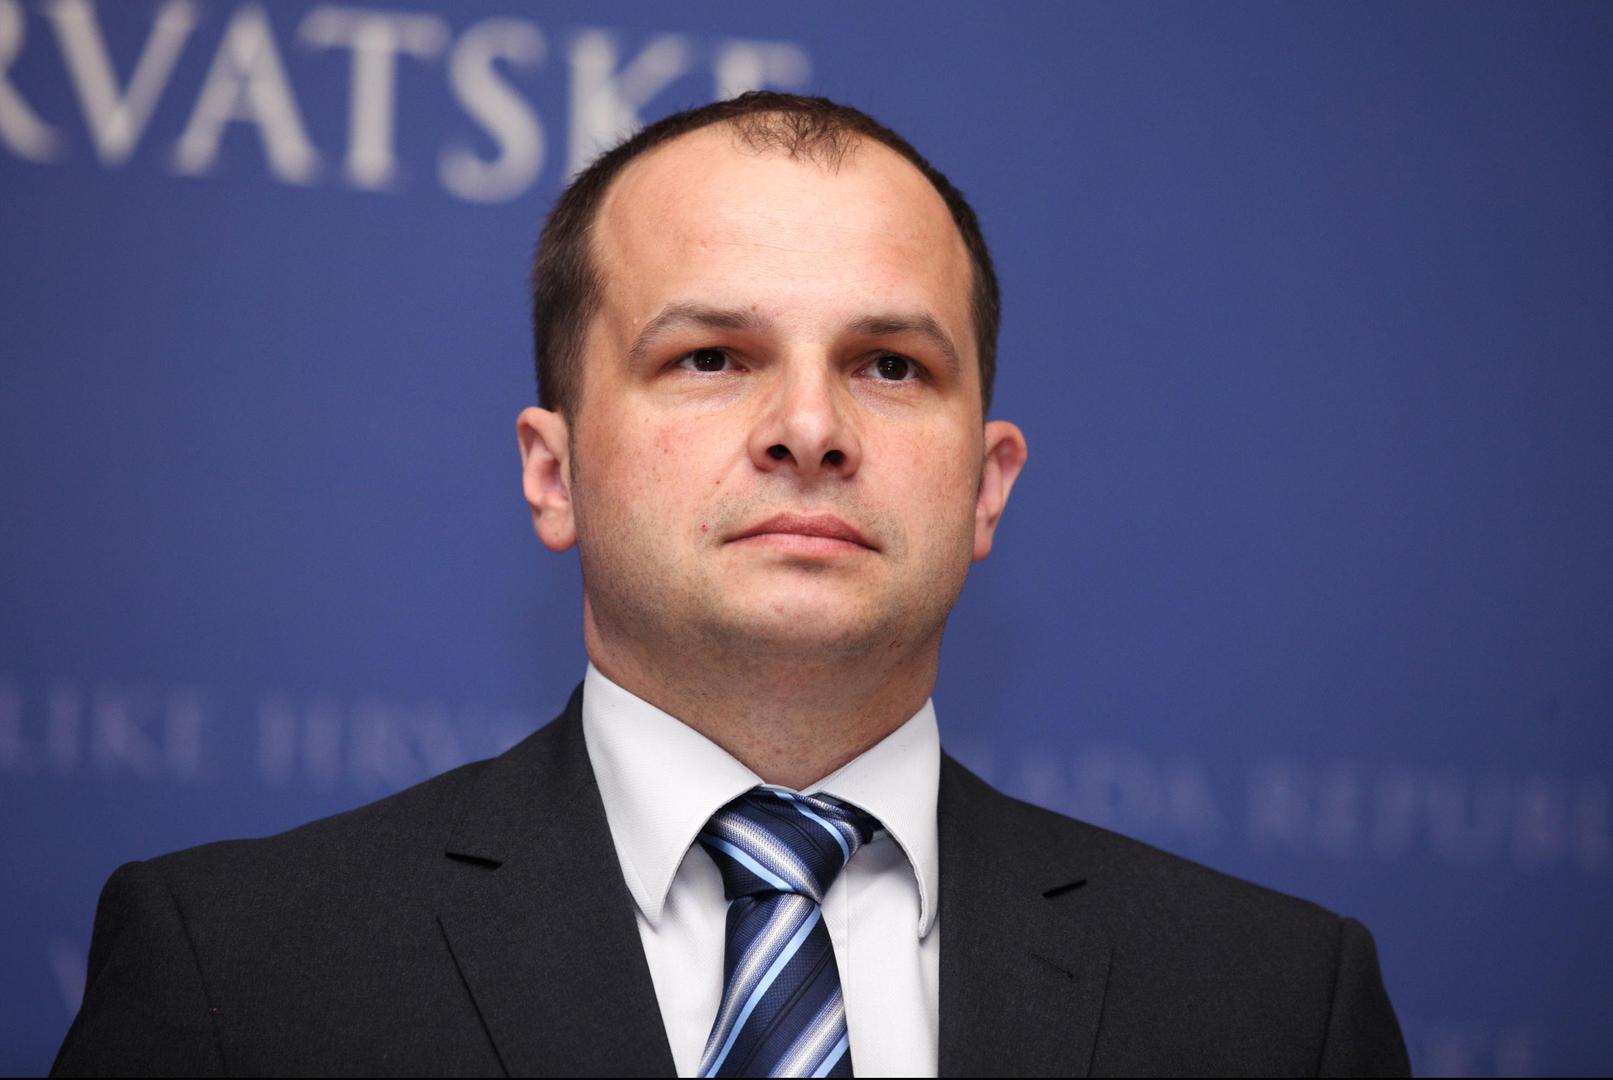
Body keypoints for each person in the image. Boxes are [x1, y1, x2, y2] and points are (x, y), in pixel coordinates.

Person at [52, 92, 1409, 1078]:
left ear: (987, 485)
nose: (809, 428)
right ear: (553, 472)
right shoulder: (239, 972)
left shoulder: (1276, 1008)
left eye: (891, 366)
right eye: (709, 357)